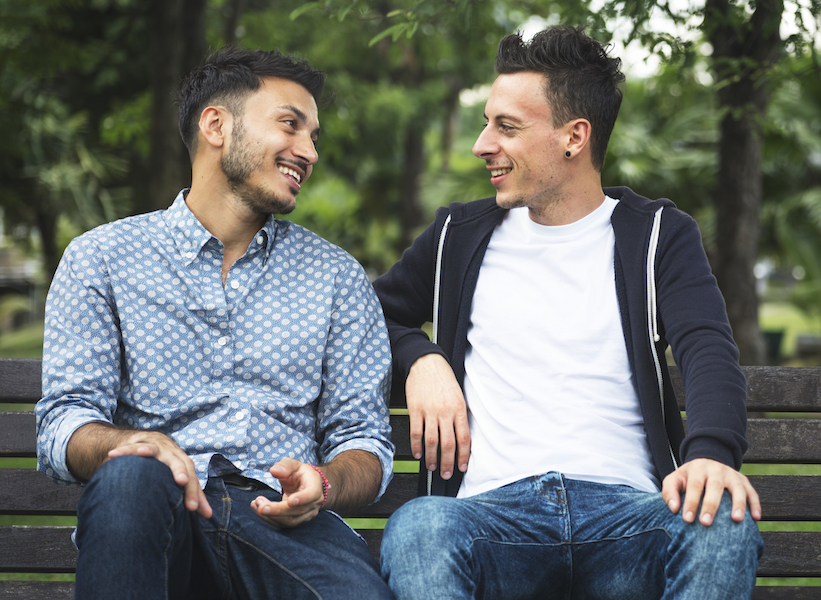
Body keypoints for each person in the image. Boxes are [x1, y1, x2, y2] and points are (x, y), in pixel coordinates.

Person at [374, 26, 763, 599]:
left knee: (723, 519)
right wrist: (421, 357)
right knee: (419, 527)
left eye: (506, 127)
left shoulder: (657, 235)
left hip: (629, 518)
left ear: (573, 137)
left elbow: (707, 345)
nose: (483, 144)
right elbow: (366, 318)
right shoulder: (458, 237)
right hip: (491, 522)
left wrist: (710, 456)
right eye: (487, 123)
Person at [36, 46, 395, 600]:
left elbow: (364, 442)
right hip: (158, 523)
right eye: (290, 126)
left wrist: (322, 483)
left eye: (313, 137)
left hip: (286, 531)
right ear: (216, 125)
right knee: (133, 473)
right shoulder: (101, 260)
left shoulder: (337, 278)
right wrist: (135, 444)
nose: (309, 152)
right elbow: (64, 423)